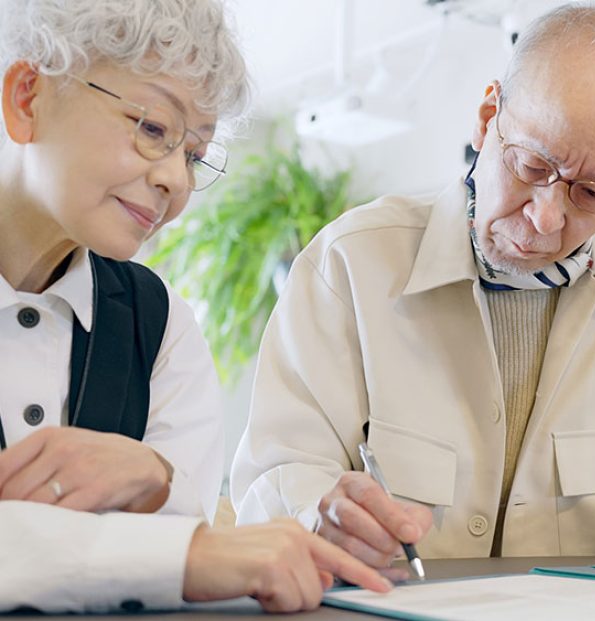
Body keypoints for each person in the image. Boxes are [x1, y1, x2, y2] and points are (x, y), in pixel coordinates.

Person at [231, 3, 595, 584]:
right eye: (532, 166)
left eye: (590, 194)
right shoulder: (350, 265)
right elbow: (276, 476)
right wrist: (318, 518)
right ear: (487, 119)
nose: (544, 219)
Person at [0, 0, 390, 612]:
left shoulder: (161, 326)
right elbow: (185, 556)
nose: (176, 183)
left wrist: (154, 479)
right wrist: (177, 552)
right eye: (153, 128)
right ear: (28, 97)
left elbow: (188, 546)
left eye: (193, 156)